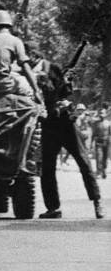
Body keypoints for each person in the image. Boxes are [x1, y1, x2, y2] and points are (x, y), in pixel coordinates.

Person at [31, 53, 103, 219]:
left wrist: (66, 95)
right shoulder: (28, 74)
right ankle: (53, 208)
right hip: (48, 124)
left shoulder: (53, 69)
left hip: (65, 123)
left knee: (84, 162)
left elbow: (70, 95)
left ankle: (97, 201)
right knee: (47, 168)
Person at [0, 10, 42, 104]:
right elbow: (25, 67)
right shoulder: (15, 41)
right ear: (9, 25)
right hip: (3, 85)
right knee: (27, 86)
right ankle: (33, 111)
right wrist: (36, 90)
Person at [93, 107, 110, 180]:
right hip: (98, 142)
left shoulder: (109, 123)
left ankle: (104, 170)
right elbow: (93, 134)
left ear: (106, 114)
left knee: (105, 158)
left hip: (106, 142)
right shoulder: (96, 123)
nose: (101, 114)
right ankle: (98, 172)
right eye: (100, 113)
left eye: (102, 113)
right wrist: (91, 144)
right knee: (99, 157)